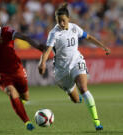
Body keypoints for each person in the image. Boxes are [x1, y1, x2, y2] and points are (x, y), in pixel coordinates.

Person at [38, 3, 111, 131]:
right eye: (58, 21)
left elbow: (88, 37)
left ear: (69, 19)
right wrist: (42, 62)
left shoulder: (74, 28)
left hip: (77, 61)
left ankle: (96, 121)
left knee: (83, 87)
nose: (61, 23)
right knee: (76, 99)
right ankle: (79, 98)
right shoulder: (54, 33)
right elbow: (48, 50)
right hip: (61, 70)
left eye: (63, 20)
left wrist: (102, 46)